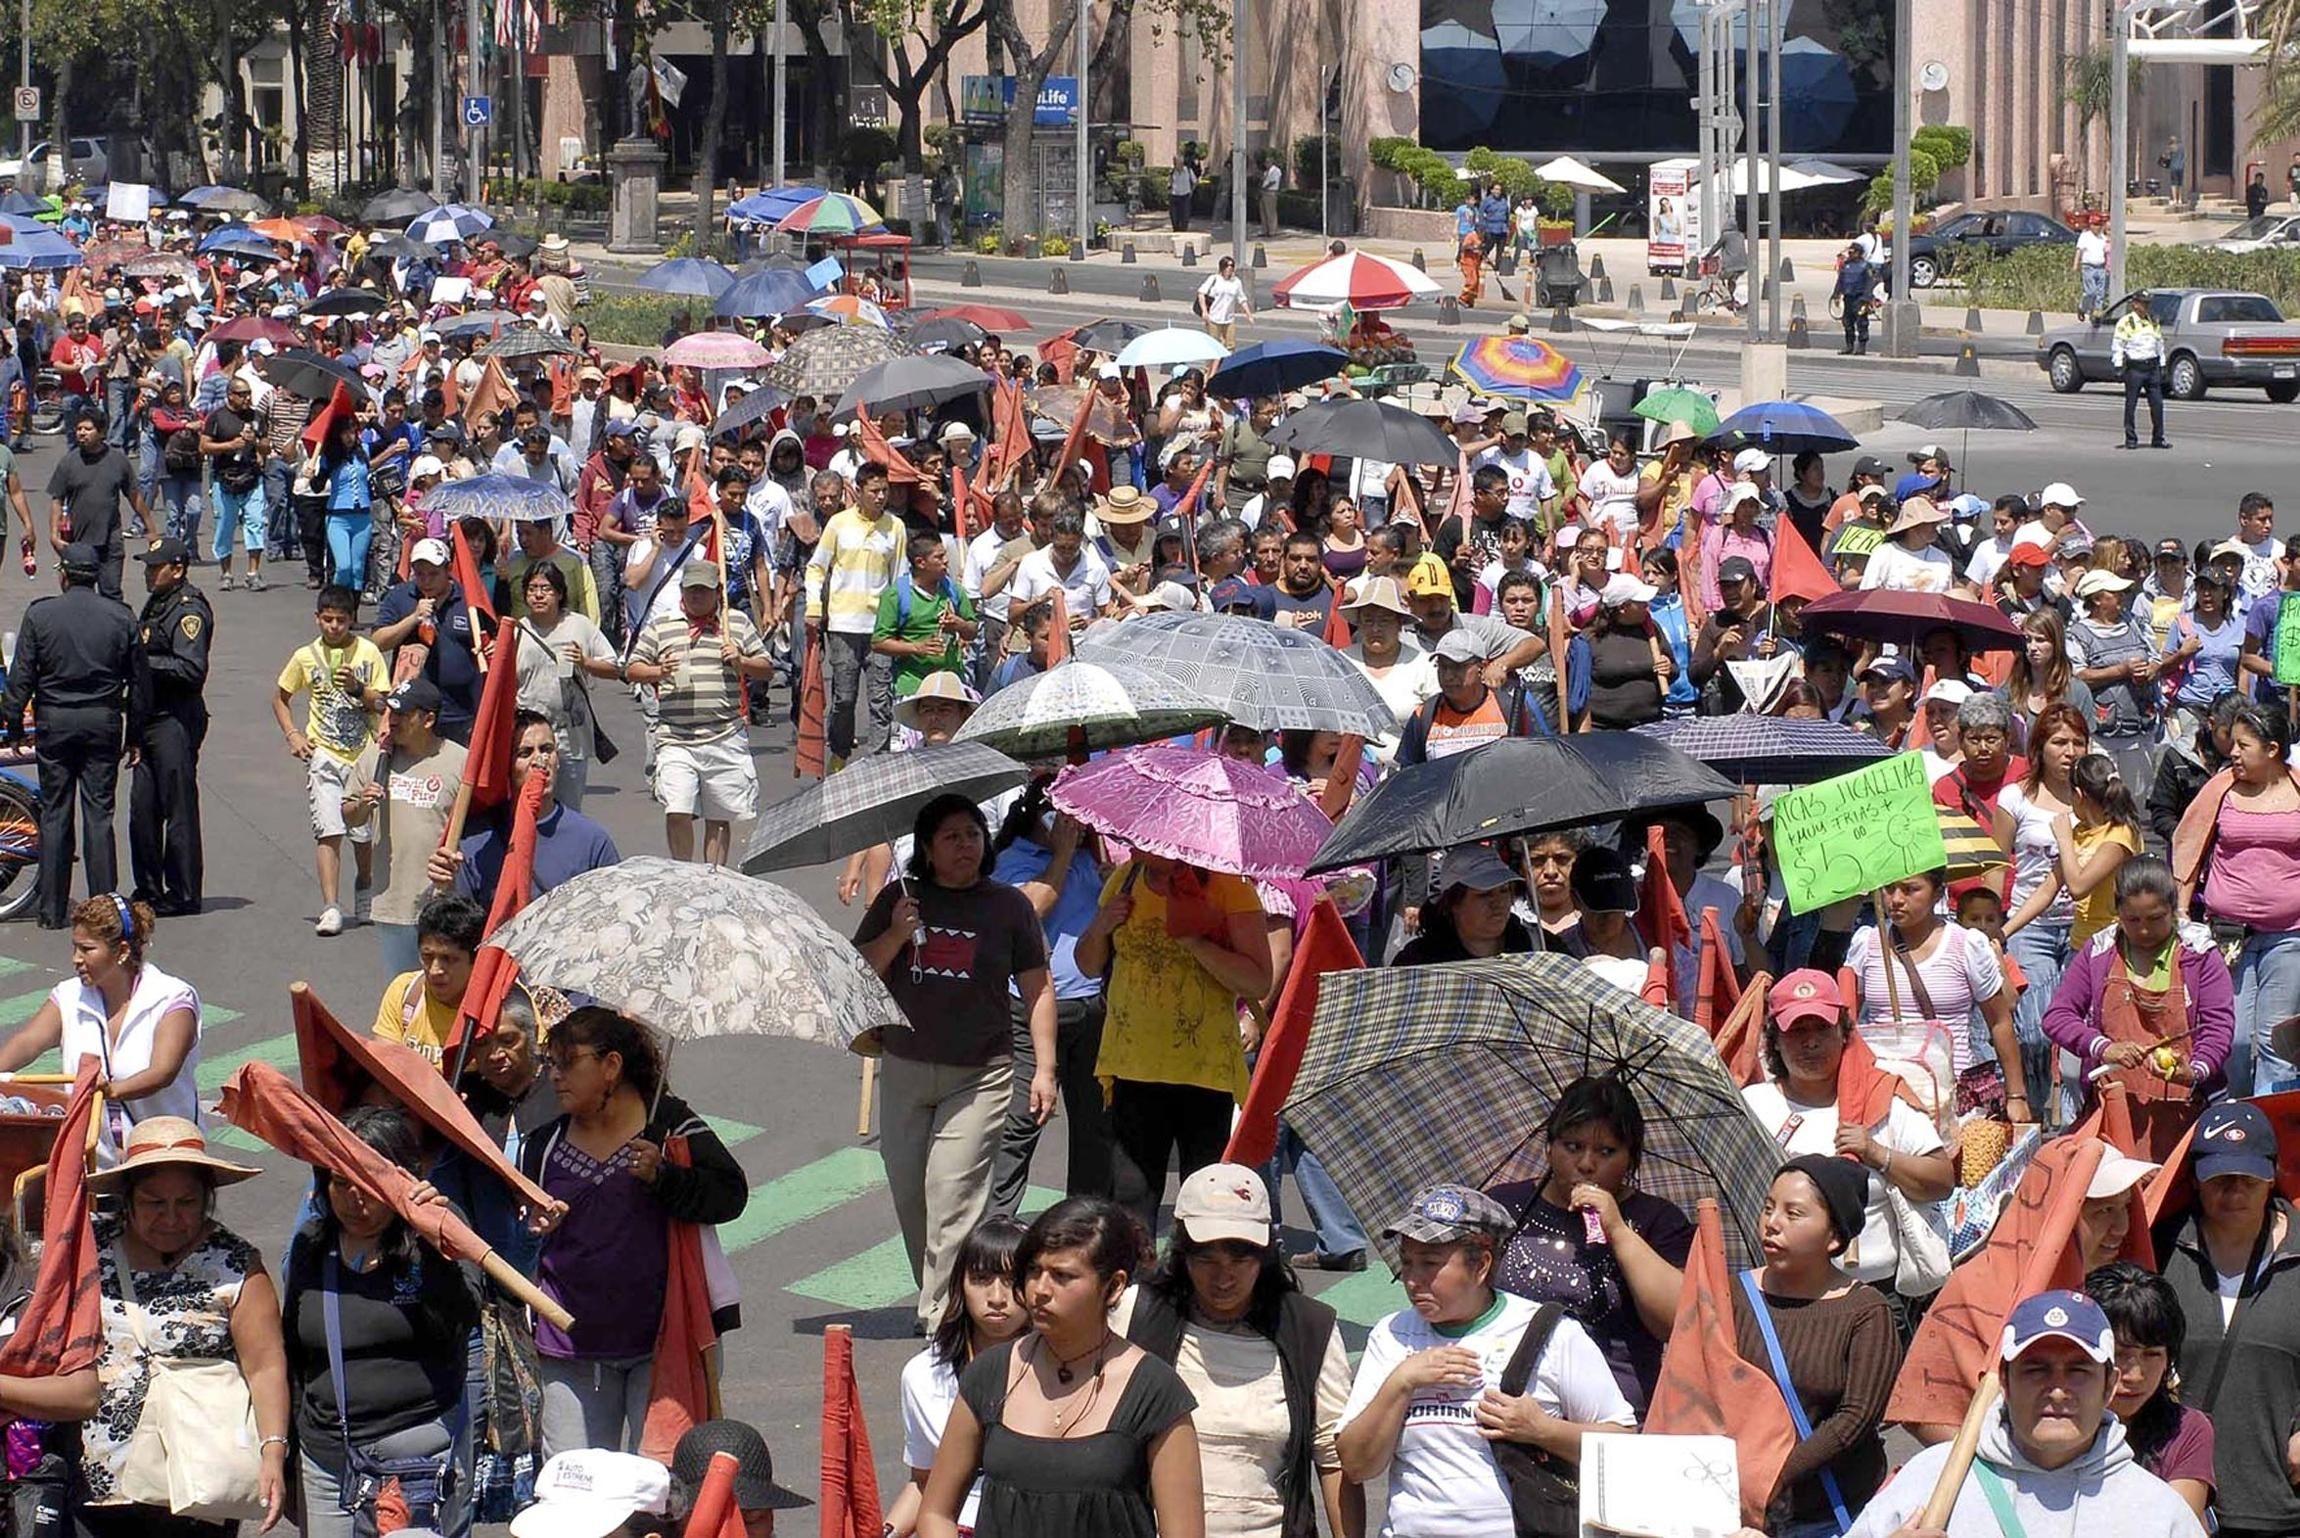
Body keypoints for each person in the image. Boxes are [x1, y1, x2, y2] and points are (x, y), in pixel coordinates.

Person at [855, 795, 1056, 1335]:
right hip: (906, 1067)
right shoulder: (900, 897)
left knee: (953, 1196)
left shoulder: (1008, 906)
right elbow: (857, 972)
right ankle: (943, 1294)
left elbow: (1038, 988)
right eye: (951, 837)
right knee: (911, 1196)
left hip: (980, 1074)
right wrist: (896, 934)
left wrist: (1045, 1068)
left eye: (973, 834)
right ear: (926, 849)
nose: (965, 845)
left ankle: (939, 1321)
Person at [1336, 1183, 1637, 1537]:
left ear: (1480, 1266)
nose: (1413, 1280)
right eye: (1406, 1262)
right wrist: (1400, 1383)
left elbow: (1621, 1446)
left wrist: (1542, 1430)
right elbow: (1356, 1465)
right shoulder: (1392, 1335)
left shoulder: (1550, 1333)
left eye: (1430, 1264)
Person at [520, 1006, 749, 1457]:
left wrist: (665, 1177)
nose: (554, 1076)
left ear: (611, 1066)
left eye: (568, 1062)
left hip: (665, 1347)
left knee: (660, 1484)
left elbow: (730, 1195)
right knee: (575, 1489)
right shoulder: (541, 1147)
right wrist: (531, 1231)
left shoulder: (672, 1128)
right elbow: (516, 1237)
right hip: (569, 1352)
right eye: (549, 1063)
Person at [918, 1197, 1204, 1538]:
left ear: (1114, 1287)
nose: (1040, 1290)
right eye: (1033, 1271)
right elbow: (935, 1512)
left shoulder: (1156, 1392)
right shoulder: (989, 1374)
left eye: (1062, 1276)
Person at [69, 1115, 285, 1536]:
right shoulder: (87, 1251)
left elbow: (265, 1367)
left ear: (206, 1199)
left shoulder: (236, 1265)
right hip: (97, 1479)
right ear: (128, 1201)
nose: (171, 1218)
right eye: (154, 1203)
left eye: (186, 1203)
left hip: (197, 1479)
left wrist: (273, 1452)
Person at [1844, 1288, 2206, 1538]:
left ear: (2109, 1384)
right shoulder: (1928, 1481)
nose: (2058, 1391)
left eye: (2079, 1371)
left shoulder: (2159, 1513)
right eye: (2036, 1369)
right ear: (2004, 1379)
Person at [1115, 1165, 1355, 1538]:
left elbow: (1332, 1457)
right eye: (1206, 1259)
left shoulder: (1311, 1328)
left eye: (1241, 1260)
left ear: (1265, 1255)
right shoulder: (1135, 1313)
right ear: (1182, 1253)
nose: (1223, 1277)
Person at [281, 1105, 481, 1538]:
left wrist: (434, 1243)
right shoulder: (311, 1246)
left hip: (416, 1461)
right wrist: (287, 1452)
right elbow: (294, 1356)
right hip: (327, 1461)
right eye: (340, 1183)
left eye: (371, 1185)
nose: (355, 1200)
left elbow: (462, 1320)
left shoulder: (441, 1232)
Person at [1743, 972, 1955, 1340]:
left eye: (1822, 1029)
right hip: (1776, 1301)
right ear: (1774, 1041)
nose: (1811, 1042)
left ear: (1844, 1033)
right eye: (1797, 1031)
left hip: (1873, 1297)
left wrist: (1877, 1154)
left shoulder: (1884, 1099)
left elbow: (1941, 1180)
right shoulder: (1753, 1107)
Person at [1077, 849, 1273, 1237]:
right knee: (1130, 1199)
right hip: (1132, 1066)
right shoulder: (1126, 878)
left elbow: (1257, 980)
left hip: (1205, 1071)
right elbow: (1087, 964)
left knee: (1206, 1201)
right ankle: (1136, 1274)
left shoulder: (1227, 887)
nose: (1135, 841)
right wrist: (1100, 926)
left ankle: (1195, 1274)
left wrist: (1194, 941)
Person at [1486, 1074, 1694, 1416]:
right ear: (1549, 1146)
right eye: (1572, 1147)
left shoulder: (1658, 1220)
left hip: (1617, 1416)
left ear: (1631, 1158)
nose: (1586, 1164)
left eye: (1606, 1152)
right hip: (1505, 1406)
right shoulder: (1503, 1208)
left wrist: (1618, 1230)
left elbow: (1676, 1322)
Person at [1732, 1155, 1903, 1538]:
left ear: (1834, 1237)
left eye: (1793, 1213)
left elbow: (1856, 1417)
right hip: (1743, 1511)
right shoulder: (1734, 1295)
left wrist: (1779, 1473)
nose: (1772, 1223)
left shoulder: (1866, 1312)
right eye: (1769, 1208)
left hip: (1833, 1514)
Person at [2151, 1100, 2300, 1537]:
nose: (2234, 1192)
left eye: (2248, 1179)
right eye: (2219, 1179)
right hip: (2172, 1507)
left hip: (2283, 1510)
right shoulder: (2157, 1248)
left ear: (2272, 1175)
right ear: (2195, 1180)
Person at [0, 543, 141, 929]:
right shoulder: (121, 616)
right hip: (102, 722)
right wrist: (134, 735)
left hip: (56, 723)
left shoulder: (41, 614)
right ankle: (103, 907)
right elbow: (139, 683)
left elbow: (22, 676)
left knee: (56, 813)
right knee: (99, 815)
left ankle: (52, 909)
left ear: (63, 575)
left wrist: (14, 727)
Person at [0, 894, 201, 1156]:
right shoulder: (69, 996)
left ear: (122, 952)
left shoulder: (172, 998)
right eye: (75, 948)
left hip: (163, 1156)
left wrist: (111, 1090)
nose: (76, 958)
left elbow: (163, 1071)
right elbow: (28, 1042)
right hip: (94, 1158)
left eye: (87, 949)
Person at [2171, 699, 2300, 1095]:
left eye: (2244, 745)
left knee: (2275, 1040)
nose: (2233, 753)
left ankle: (2271, 1123)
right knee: (2234, 1038)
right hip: (2227, 934)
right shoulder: (2220, 789)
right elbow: (2190, 847)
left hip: (2290, 935)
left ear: (2272, 749)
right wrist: (2181, 911)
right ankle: (2238, 1113)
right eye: (2234, 744)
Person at [624, 560, 775, 866]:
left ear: (718, 592)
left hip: (724, 735)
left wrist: (741, 661)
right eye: (691, 590)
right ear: (682, 590)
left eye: (703, 591)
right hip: (676, 737)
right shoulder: (663, 624)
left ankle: (711, 877)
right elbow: (632, 668)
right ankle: (683, 873)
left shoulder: (735, 623)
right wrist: (658, 671)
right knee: (677, 810)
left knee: (719, 816)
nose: (696, 596)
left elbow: (767, 668)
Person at [887, 1216, 1029, 1537]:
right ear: (959, 1286)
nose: (997, 1297)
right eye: (981, 1279)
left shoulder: (1066, 1371)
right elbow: (924, 1482)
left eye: (1012, 1281)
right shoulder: (922, 1375)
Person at [434, 711, 621, 911]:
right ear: (506, 766)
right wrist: (447, 884)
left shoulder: (592, 841)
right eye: (525, 753)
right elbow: (458, 921)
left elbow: (616, 910)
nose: (540, 761)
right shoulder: (476, 843)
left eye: (547, 749)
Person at [2085, 1261, 2217, 1522]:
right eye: (2119, 1353)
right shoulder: (2056, 1425)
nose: (2135, 1375)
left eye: (2152, 1354)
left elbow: (2175, 1525)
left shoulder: (2188, 1429)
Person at [129, 535, 213, 916]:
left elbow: (191, 668)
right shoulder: (158, 601)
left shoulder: (188, 609)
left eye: (155, 567)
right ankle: (148, 888)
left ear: (177, 569)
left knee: (178, 807)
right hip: (148, 718)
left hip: (175, 719)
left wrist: (141, 662)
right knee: (142, 808)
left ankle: (183, 892)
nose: (148, 573)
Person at [806, 462, 906, 763]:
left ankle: (878, 762)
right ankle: (839, 754)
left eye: (884, 490)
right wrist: (814, 607)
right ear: (858, 491)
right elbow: (816, 567)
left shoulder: (895, 527)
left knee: (880, 700)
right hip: (843, 625)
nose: (880, 496)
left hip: (880, 628)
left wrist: (901, 621)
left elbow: (899, 578)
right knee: (844, 699)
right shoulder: (838, 524)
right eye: (874, 491)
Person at [508, 561, 619, 809]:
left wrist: (585, 662)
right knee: (530, 807)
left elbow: (614, 668)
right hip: (530, 737)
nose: (538, 595)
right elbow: (506, 683)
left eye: (546, 588)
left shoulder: (579, 625)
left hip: (570, 736)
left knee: (568, 809)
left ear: (559, 593)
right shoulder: (517, 631)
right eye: (532, 589)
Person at [48, 410, 145, 598]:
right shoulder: (68, 463)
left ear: (102, 433)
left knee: (111, 593)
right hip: (78, 543)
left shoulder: (118, 461)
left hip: (110, 540)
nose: (82, 433)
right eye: (79, 429)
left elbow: (134, 497)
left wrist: (150, 529)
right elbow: (57, 500)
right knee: (78, 595)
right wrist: (53, 535)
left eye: (88, 429)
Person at [1392, 845, 1535, 965]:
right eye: (1484, 894)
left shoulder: (1535, 946)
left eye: (1504, 890)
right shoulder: (1417, 961)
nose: (1498, 902)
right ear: (1453, 903)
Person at [2114, 294, 2170, 451]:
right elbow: (2118, 344)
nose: (2147, 307)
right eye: (2144, 304)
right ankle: (2131, 438)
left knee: (2157, 404)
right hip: (2135, 368)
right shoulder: (2126, 322)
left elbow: (2159, 343)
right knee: (2131, 404)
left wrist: (2162, 364)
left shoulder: (2153, 320)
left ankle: (2158, 438)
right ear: (2135, 305)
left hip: (2152, 367)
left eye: (2148, 304)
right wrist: (2118, 365)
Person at [1196, 256, 1251, 350]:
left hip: (1229, 319)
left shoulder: (1236, 282)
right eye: (1226, 265)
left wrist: (1248, 315)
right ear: (1221, 267)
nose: (1229, 268)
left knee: (1230, 346)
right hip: (1213, 318)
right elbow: (1201, 293)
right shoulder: (1214, 279)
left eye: (1231, 266)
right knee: (1213, 346)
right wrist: (1204, 311)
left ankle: (1228, 359)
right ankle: (1213, 360)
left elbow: (1242, 299)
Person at [2076, 217, 2111, 321]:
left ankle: (2096, 313)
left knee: (2100, 292)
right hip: (2088, 267)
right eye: (2095, 225)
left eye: (2099, 225)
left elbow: (2108, 253)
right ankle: (2083, 307)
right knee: (2091, 292)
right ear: (2090, 225)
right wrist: (2076, 264)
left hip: (2101, 267)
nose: (2097, 227)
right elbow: (2079, 250)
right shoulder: (2085, 236)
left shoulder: (2103, 238)